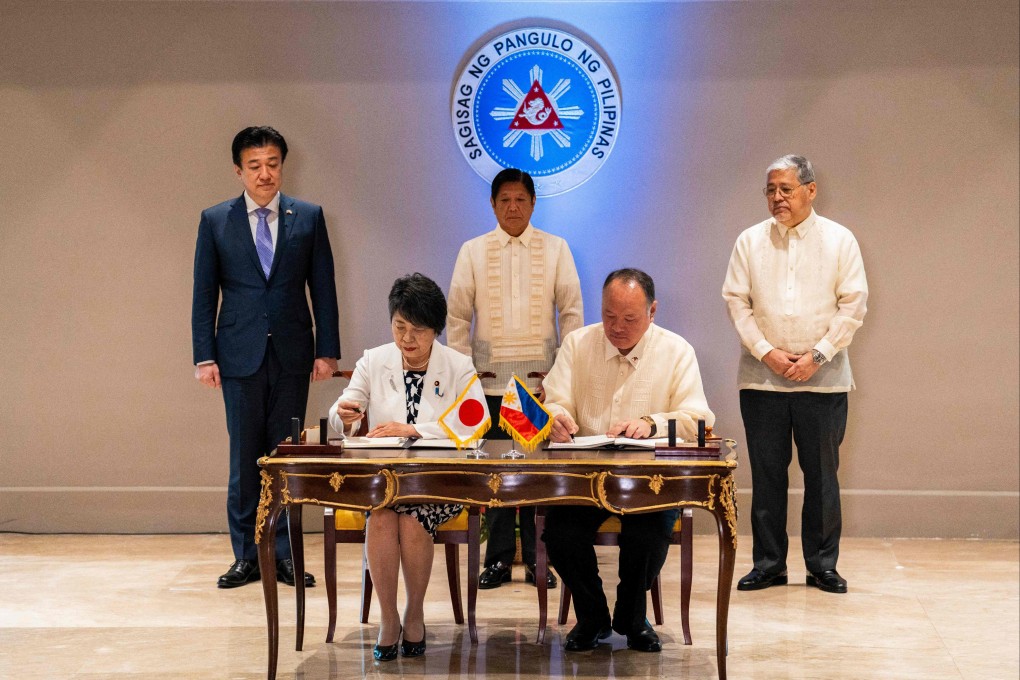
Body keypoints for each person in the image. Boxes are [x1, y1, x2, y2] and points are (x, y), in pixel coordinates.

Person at [192, 126, 339, 589]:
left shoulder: (308, 217)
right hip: (237, 356)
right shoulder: (216, 220)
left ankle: (285, 555)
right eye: (254, 165)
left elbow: (324, 288)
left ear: (282, 165)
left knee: (286, 460)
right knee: (244, 460)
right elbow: (203, 294)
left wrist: (327, 351)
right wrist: (204, 356)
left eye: (272, 163)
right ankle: (246, 557)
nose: (265, 173)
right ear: (239, 170)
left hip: (293, 353)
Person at [541, 269, 714, 653]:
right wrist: (556, 416)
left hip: (648, 479)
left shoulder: (676, 350)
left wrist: (653, 423)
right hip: (584, 477)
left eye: (630, 319)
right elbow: (554, 399)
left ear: (652, 311)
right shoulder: (576, 343)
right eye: (609, 316)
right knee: (560, 535)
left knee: (648, 534)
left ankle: (633, 618)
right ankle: (592, 616)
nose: (617, 328)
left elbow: (699, 417)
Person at [722, 154, 868, 595]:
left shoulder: (840, 240)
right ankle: (768, 564)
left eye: (786, 189)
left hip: (823, 379)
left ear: (811, 190)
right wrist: (767, 353)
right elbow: (736, 301)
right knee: (767, 475)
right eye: (771, 190)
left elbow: (854, 304)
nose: (777, 198)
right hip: (762, 378)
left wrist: (816, 356)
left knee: (822, 475)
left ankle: (822, 566)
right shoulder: (750, 241)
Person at [329, 273, 489, 661]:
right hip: (386, 482)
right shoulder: (374, 359)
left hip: (439, 481)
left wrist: (415, 429)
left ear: (436, 330)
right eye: (400, 327)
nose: (407, 339)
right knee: (382, 517)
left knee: (413, 517)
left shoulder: (458, 366)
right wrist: (346, 415)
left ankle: (414, 612)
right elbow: (342, 412)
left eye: (418, 330)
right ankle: (388, 619)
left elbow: (476, 424)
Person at [447, 168, 582, 591]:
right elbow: (456, 317)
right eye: (504, 199)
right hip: (489, 381)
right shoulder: (473, 250)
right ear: (492, 204)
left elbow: (573, 313)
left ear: (533, 203)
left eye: (520, 199)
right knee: (499, 476)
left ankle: (543, 561)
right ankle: (499, 561)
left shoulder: (556, 248)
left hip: (536, 382)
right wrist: (465, 371)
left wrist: (562, 369)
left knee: (535, 474)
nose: (512, 207)